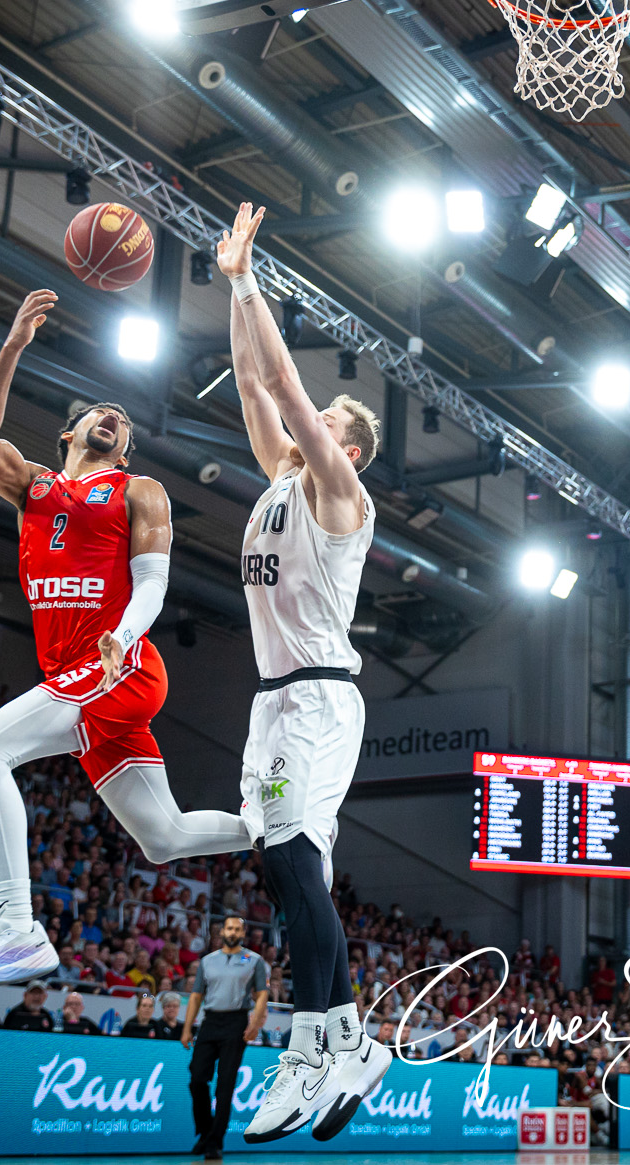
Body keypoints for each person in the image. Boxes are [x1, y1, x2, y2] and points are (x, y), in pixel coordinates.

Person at [0, 292, 255, 989]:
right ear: (69, 433)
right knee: (163, 837)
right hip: (78, 679)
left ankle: (17, 927)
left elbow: (153, 582)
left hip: (120, 667)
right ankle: (278, 827)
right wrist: (13, 345)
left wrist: (122, 634)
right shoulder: (34, 488)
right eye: (100, 413)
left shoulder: (138, 490)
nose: (114, 418)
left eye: (124, 420)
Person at [212, 204, 389, 1144]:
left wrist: (251, 281)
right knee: (287, 874)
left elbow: (283, 380)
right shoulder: (280, 481)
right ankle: (355, 1043)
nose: (305, 420)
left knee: (290, 860)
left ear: (345, 448)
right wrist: (230, 287)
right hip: (273, 701)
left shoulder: (340, 492)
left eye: (326, 420)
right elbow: (253, 380)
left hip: (319, 694)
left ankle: (312, 1046)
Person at [185, 914, 271, 1160]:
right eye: (229, 928)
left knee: (225, 1085)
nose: (232, 932)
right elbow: (196, 996)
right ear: (222, 931)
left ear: (242, 934)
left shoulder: (253, 960)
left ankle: (215, 1141)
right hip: (210, 1021)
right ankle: (205, 1130)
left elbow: (262, 994)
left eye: (237, 929)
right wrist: (187, 1028)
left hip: (236, 1022)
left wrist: (255, 1023)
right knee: (197, 1078)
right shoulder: (207, 961)